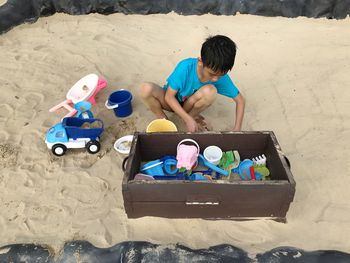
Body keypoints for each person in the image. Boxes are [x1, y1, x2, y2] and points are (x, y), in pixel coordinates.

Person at [139, 35, 245, 132]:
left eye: (221, 75)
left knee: (211, 91)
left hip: (189, 106)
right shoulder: (185, 67)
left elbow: (240, 100)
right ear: (200, 62)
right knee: (145, 88)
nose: (215, 79)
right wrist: (187, 119)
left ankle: (191, 116)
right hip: (171, 102)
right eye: (211, 74)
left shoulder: (219, 75)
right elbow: (169, 97)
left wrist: (237, 128)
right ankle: (163, 119)